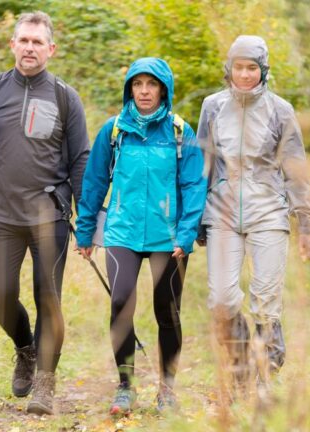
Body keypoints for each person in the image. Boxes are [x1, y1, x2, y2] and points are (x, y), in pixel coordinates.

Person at [0, 11, 89, 416]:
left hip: (51, 217)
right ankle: (25, 349)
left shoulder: (66, 97)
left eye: (37, 42)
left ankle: (45, 383)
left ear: (51, 49)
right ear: (13, 45)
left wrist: (88, 223)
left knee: (49, 298)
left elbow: (80, 160)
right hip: (1, 215)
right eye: (23, 40)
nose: (30, 48)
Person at [75, 57, 206, 415]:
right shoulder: (114, 131)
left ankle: (167, 389)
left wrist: (186, 232)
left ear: (163, 89)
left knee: (168, 310)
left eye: (151, 84)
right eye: (137, 84)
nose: (144, 91)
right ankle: (125, 387)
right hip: (122, 232)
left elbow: (194, 185)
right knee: (120, 304)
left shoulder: (181, 132)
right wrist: (85, 230)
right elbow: (95, 182)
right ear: (129, 89)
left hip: (169, 237)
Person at [196, 35, 310, 390]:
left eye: (252, 68)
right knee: (221, 297)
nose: (245, 74)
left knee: (266, 298)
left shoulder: (281, 110)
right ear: (228, 69)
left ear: (263, 70)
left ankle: (268, 371)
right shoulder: (212, 107)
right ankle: (241, 359)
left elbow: (296, 170)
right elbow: (201, 165)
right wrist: (194, 219)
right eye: (239, 67)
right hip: (222, 212)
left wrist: (306, 225)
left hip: (268, 212)